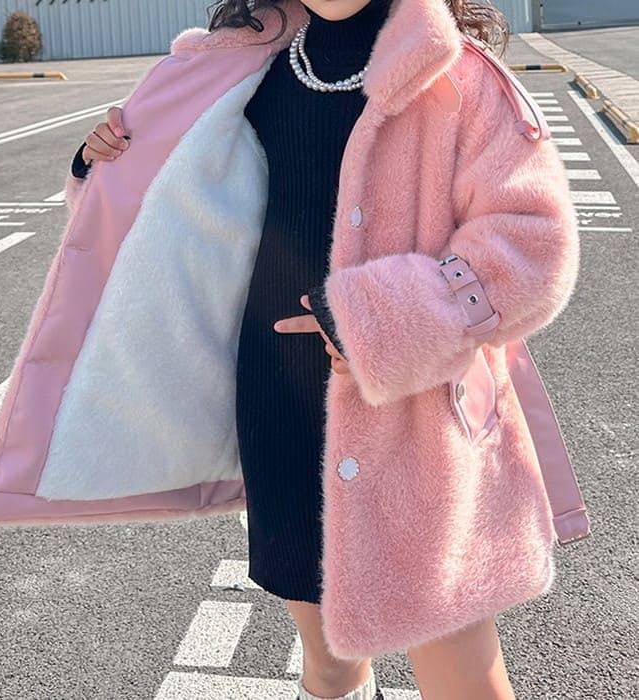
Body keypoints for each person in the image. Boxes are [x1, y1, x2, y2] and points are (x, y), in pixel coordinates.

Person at [65, 1, 577, 699]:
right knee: (330, 662)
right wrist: (104, 168)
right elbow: (165, 223)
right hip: (277, 402)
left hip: (416, 416)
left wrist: (376, 319)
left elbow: (532, 246)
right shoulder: (236, 64)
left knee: (458, 665)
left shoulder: (458, 75)